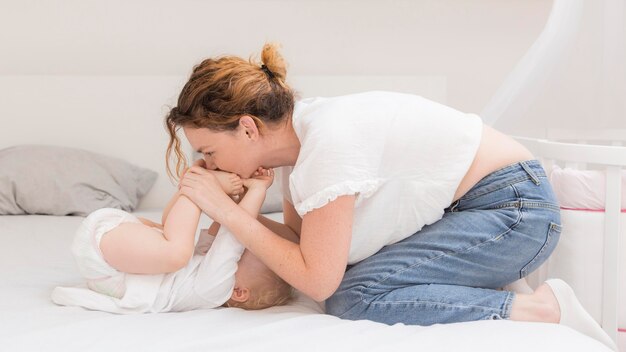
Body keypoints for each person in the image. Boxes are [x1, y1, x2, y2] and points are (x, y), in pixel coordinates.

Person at [165, 43, 616, 349]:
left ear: (247, 128)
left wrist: (225, 208)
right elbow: (302, 245)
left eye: (209, 150)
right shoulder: (302, 151)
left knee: (350, 297)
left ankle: (539, 308)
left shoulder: (328, 142)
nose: (209, 164)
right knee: (350, 281)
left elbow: (318, 280)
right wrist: (233, 210)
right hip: (484, 209)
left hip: (514, 211)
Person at [51, 165, 293, 313]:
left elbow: (234, 236)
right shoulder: (207, 274)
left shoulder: (214, 290)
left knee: (177, 253)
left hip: (110, 268)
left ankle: (197, 183)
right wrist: (241, 195)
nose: (246, 248)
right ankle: (192, 186)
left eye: (246, 255)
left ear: (240, 292)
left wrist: (259, 191)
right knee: (173, 236)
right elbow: (226, 224)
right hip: (123, 251)